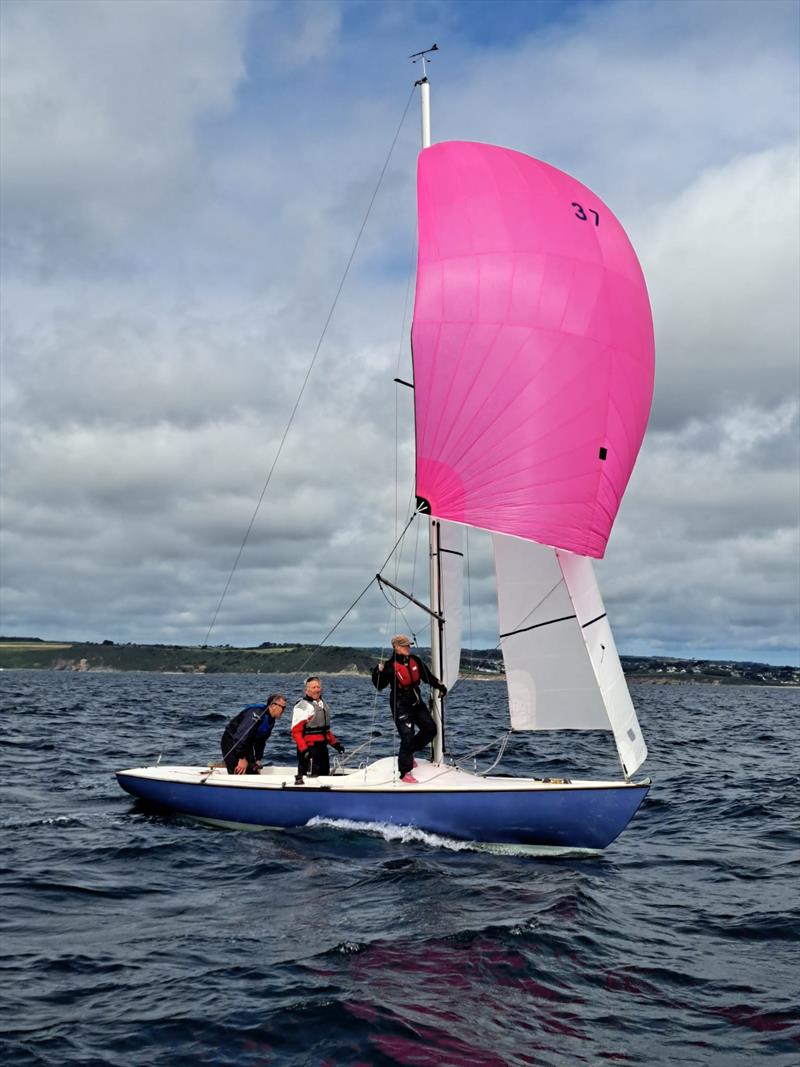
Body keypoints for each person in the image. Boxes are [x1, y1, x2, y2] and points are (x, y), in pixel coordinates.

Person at [371, 634, 446, 784]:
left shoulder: (415, 660)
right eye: (405, 645)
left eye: (409, 645)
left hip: (416, 700)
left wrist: (440, 686)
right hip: (400, 704)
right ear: (397, 647)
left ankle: (410, 752)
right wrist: (376, 673)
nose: (408, 648)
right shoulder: (390, 666)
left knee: (431, 729)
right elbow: (379, 686)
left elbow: (427, 677)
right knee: (407, 736)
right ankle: (405, 771)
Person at [291, 676, 344, 781]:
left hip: (322, 747)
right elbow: (296, 732)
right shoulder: (302, 706)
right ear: (307, 690)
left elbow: (325, 731)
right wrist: (304, 750)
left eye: (318, 687)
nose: (317, 689)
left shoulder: (323, 704)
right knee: (311, 778)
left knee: (324, 775)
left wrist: (335, 744)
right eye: (314, 687)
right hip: (309, 748)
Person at [220, 694, 287, 775]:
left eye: (285, 708)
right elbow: (240, 736)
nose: (284, 710)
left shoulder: (271, 720)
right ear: (273, 705)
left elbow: (261, 741)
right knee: (239, 771)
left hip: (246, 744)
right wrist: (242, 758)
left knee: (253, 771)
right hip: (232, 741)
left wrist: (258, 759)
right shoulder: (257, 714)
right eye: (282, 707)